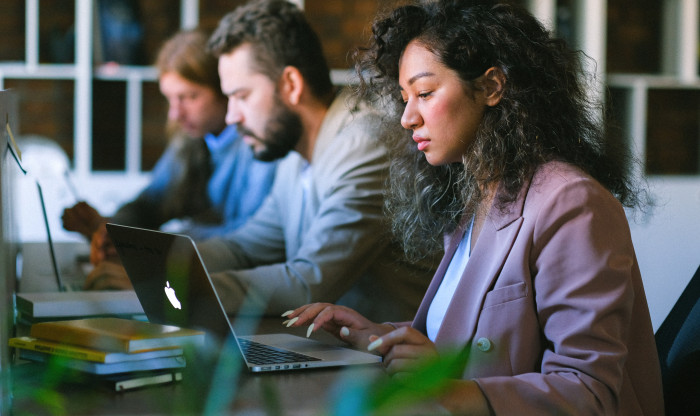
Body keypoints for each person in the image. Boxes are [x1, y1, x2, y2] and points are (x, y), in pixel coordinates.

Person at [285, 1, 664, 414]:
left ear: (491, 87)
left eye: (425, 93)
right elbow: (468, 336)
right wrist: (380, 337)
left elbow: (590, 394)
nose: (407, 118)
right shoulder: (478, 197)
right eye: (404, 97)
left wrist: (445, 386)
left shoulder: (571, 203)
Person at [188, 0, 435, 322]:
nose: (232, 116)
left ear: (291, 84)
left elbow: (311, 281)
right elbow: (246, 248)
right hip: (336, 352)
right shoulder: (295, 155)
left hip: (395, 363)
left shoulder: (366, 143)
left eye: (242, 96)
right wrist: (167, 260)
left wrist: (184, 285)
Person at [62, 29, 278, 286]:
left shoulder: (260, 144)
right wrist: (114, 229)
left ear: (225, 89)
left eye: (189, 97)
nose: (175, 114)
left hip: (241, 285)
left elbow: (250, 238)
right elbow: (151, 203)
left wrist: (158, 243)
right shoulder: (191, 139)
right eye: (170, 99)